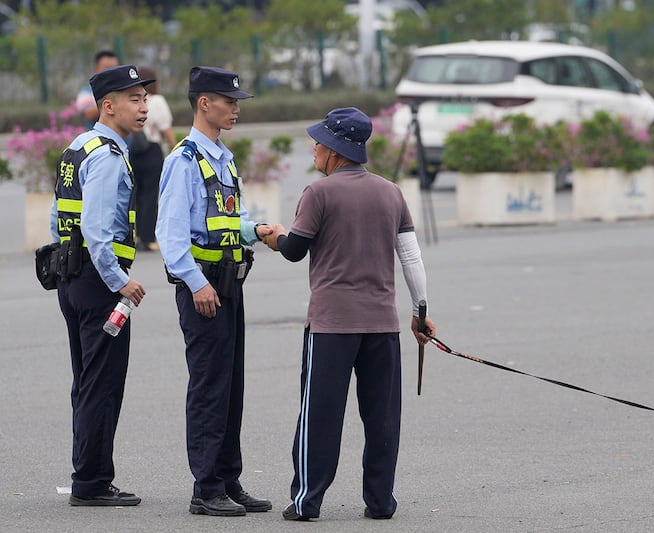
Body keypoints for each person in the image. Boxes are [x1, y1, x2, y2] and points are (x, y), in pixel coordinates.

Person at [262, 107, 436, 521]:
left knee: (320, 414)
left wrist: (273, 237)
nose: (314, 148)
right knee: (381, 418)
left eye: (319, 142)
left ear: (336, 150)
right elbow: (411, 257)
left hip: (331, 326)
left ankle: (306, 501)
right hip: (382, 326)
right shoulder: (391, 193)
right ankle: (380, 502)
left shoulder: (318, 194)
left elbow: (295, 250)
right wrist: (420, 311)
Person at [155, 66, 272, 517]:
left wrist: (255, 230)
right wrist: (197, 283)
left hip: (228, 286)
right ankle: (205, 488)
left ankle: (228, 478)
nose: (236, 108)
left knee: (231, 386)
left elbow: (219, 223)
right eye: (229, 100)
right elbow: (170, 235)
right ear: (205, 103)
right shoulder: (183, 160)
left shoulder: (222, 157)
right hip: (203, 289)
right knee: (208, 387)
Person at [51, 64, 152, 506]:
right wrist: (120, 281)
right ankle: (91, 482)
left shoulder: (78, 146)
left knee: (87, 380)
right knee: (102, 384)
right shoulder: (108, 156)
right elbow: (96, 229)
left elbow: (62, 219)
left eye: (145, 98)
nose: (144, 106)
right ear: (108, 106)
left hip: (71, 279)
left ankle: (86, 476)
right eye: (134, 99)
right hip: (98, 285)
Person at [129, 66, 175, 251]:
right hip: (152, 150)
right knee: (150, 195)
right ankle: (148, 238)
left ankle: (137, 235)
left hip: (134, 150)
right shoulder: (157, 101)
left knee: (136, 195)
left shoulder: (132, 101)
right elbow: (165, 128)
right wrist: (176, 146)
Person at [74, 50, 119, 130]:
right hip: (99, 141)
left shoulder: (123, 90)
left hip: (124, 142)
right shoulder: (87, 92)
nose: (112, 72)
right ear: (96, 69)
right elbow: (89, 114)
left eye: (115, 68)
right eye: (107, 68)